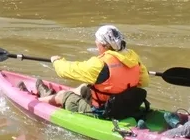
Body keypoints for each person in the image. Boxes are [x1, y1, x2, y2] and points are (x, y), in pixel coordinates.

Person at [20, 25, 149, 115]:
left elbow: (65, 71)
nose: (95, 43)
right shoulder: (133, 57)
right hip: (126, 104)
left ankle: (35, 101)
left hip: (105, 110)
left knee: (63, 96)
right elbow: (144, 82)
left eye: (97, 41)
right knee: (83, 87)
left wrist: (56, 61)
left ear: (104, 45)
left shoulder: (100, 65)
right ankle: (47, 95)